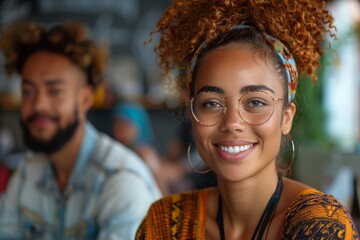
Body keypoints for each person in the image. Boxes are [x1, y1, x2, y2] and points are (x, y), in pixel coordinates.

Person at [136, 0, 360, 239]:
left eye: (255, 102)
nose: (232, 122)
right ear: (192, 116)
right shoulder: (165, 221)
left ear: (286, 118)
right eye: (211, 103)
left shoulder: (321, 225)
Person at [0, 20, 161, 239]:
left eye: (54, 91)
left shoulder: (120, 181)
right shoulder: (27, 172)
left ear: (85, 99)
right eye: (28, 91)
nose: (38, 105)